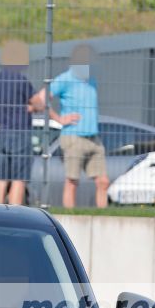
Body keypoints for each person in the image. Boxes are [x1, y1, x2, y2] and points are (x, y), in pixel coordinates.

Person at [31, 44, 107, 208]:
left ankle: (103, 215)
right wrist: (59, 119)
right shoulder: (65, 78)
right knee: (72, 182)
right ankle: (69, 219)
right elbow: (39, 100)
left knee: (103, 182)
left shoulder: (91, 79)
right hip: (73, 137)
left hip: (94, 138)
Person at [0, 40, 36, 205]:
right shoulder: (20, 80)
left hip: (2, 131)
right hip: (20, 131)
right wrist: (32, 107)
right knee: (19, 178)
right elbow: (35, 102)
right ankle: (16, 212)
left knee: (1, 177)